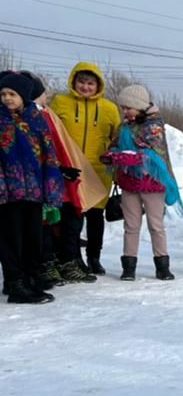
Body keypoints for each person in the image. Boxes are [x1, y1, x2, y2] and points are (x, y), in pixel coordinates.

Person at [25, 72, 103, 285]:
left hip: (69, 174)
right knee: (49, 222)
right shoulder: (43, 112)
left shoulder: (48, 113)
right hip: (49, 177)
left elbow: (61, 144)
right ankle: (49, 264)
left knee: (70, 220)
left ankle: (68, 261)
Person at [103, 84, 183, 281]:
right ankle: (129, 266)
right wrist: (112, 155)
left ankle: (162, 265)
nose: (125, 112)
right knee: (131, 225)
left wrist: (134, 157)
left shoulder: (154, 126)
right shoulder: (124, 127)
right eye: (123, 108)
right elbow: (114, 146)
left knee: (156, 225)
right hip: (129, 183)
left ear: (139, 106)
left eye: (127, 107)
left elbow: (155, 153)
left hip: (152, 183)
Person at [1, 71, 64, 304]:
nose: (7, 98)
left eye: (12, 94)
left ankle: (31, 278)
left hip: (34, 191)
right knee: (10, 239)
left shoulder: (36, 120)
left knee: (33, 237)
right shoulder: (1, 120)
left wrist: (52, 186)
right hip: (8, 193)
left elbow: (49, 155)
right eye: (4, 94)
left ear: (24, 96)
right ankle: (15, 283)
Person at [49, 62, 118, 274]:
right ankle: (73, 259)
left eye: (90, 83)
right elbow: (50, 132)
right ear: (73, 82)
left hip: (99, 170)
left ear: (98, 85)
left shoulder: (109, 108)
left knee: (96, 218)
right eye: (81, 82)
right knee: (72, 217)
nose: (86, 87)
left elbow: (116, 138)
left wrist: (114, 162)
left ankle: (94, 258)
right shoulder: (60, 102)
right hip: (70, 170)